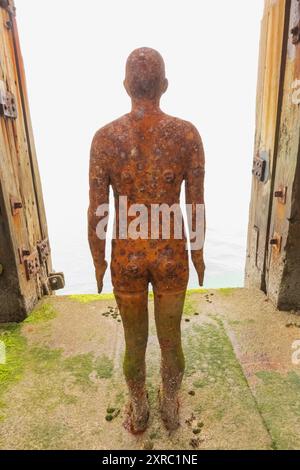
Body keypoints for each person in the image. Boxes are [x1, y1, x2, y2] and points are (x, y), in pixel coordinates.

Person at [88, 47, 205, 433]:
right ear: (165, 86)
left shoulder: (105, 139)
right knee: (171, 341)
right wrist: (198, 253)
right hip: (171, 253)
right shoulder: (187, 134)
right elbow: (196, 204)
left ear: (125, 86)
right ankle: (170, 406)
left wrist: (99, 260)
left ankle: (139, 408)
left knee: (133, 342)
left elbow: (98, 211)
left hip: (128, 256)